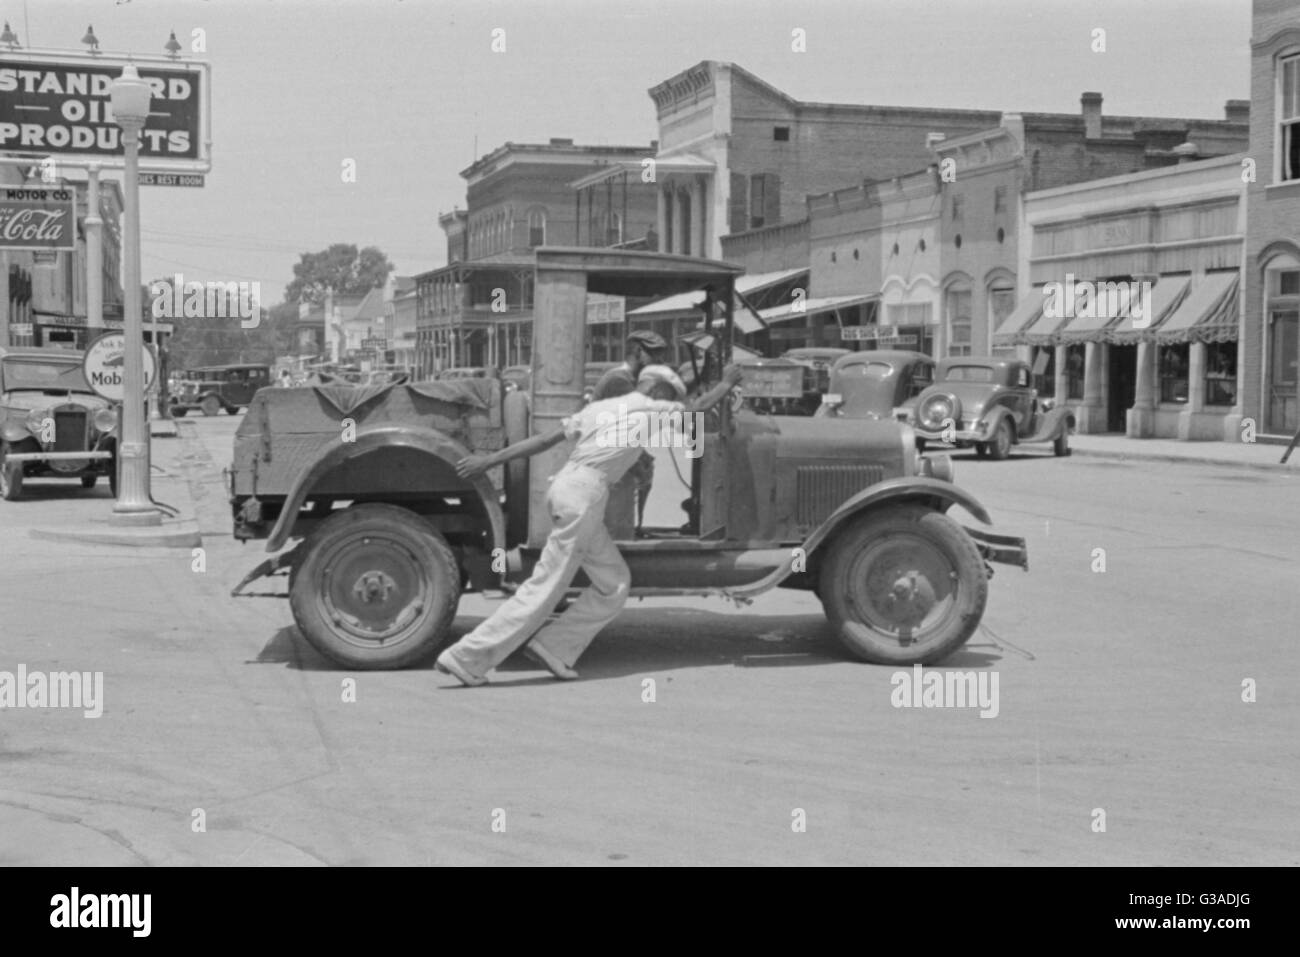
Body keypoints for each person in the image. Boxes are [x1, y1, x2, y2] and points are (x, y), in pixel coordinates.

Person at [435, 362, 744, 686]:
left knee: (614, 583)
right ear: (656, 389)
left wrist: (489, 460)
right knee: (543, 590)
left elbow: (544, 441)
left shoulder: (601, 408)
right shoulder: (654, 407)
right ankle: (466, 658)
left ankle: (555, 648)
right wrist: (725, 384)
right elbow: (696, 410)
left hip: (568, 490)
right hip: (584, 498)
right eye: (671, 393)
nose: (673, 400)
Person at [591, 330, 670, 531]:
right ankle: (627, 529)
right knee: (642, 470)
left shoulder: (628, 379)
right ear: (637, 351)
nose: (659, 361)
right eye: (654, 355)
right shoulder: (619, 380)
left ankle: (635, 525)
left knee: (645, 465)